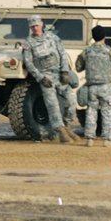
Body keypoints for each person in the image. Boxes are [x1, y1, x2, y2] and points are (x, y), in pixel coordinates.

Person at [21, 15, 77, 143]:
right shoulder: (28, 43)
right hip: (45, 77)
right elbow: (29, 63)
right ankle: (61, 131)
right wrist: (41, 78)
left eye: (37, 25)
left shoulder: (53, 37)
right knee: (53, 105)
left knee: (71, 100)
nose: (35, 28)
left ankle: (68, 125)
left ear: (42, 24)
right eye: (32, 26)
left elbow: (63, 54)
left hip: (59, 74)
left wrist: (64, 71)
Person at [75, 25, 111, 147]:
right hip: (106, 87)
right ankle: (107, 140)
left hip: (91, 87)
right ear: (104, 36)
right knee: (107, 112)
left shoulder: (86, 51)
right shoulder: (110, 51)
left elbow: (78, 67)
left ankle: (89, 139)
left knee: (91, 112)